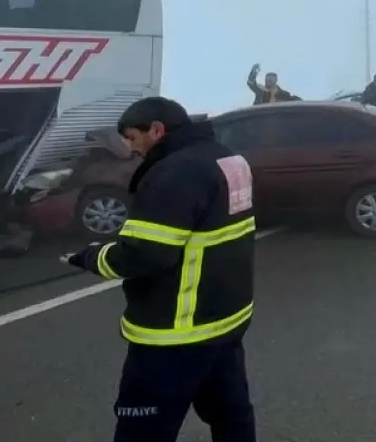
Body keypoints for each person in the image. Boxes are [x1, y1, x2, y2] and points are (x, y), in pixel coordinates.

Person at [59, 96, 257, 442]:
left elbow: (145, 255)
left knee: (142, 430)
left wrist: (90, 257)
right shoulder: (227, 158)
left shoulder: (174, 173)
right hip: (226, 321)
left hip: (175, 332)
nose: (131, 149)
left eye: (133, 138)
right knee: (231, 416)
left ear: (156, 130)